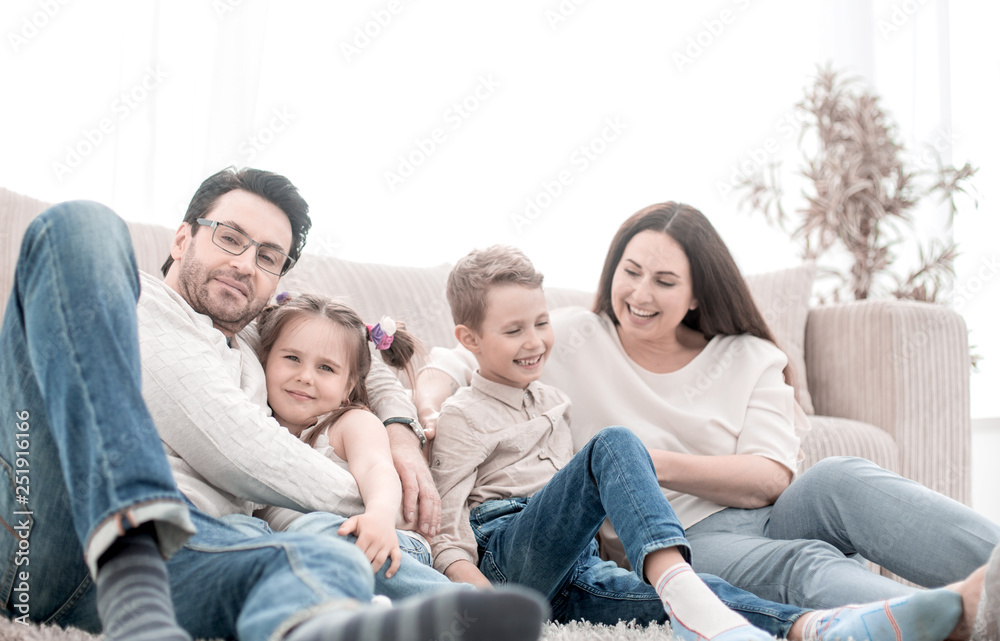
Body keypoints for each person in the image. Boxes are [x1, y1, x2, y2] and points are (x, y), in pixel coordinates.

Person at [0, 167, 546, 641]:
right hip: (53, 536)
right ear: (183, 239)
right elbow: (235, 449)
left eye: (268, 257)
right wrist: (378, 500)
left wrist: (398, 427)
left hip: (199, 552)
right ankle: (129, 562)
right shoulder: (128, 302)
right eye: (230, 238)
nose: (244, 265)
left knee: (322, 554)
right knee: (80, 225)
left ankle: (323, 628)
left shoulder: (253, 340)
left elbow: (351, 348)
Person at [416, 204, 1000, 639]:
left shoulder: (747, 355)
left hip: (767, 510)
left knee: (843, 476)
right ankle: (951, 621)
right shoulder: (567, 336)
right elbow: (464, 354)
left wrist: (644, 464)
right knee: (801, 564)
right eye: (632, 271)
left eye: (665, 281)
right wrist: (425, 400)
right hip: (684, 536)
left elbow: (772, 477)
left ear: (697, 294)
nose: (640, 293)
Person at [252, 291, 461, 600]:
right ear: (264, 360)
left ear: (349, 385)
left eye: (326, 368)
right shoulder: (253, 429)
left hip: (385, 540)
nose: (305, 377)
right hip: (316, 562)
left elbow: (378, 469)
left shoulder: (349, 424)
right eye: (292, 358)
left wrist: (378, 516)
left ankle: (461, 604)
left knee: (317, 531)